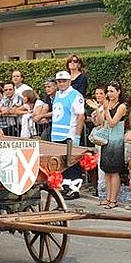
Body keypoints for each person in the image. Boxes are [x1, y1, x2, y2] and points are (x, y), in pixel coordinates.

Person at [51, 71, 85, 200]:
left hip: (68, 134)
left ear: (69, 81)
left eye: (64, 81)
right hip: (56, 134)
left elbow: (80, 116)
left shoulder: (75, 95)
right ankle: (65, 187)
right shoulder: (58, 94)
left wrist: (77, 135)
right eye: (59, 81)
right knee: (62, 163)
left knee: (72, 163)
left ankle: (74, 188)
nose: (61, 83)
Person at [95, 82, 126, 208]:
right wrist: (99, 108)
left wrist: (106, 109)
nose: (109, 94)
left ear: (119, 92)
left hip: (116, 141)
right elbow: (101, 121)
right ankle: (107, 198)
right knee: (107, 171)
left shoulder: (122, 106)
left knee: (114, 172)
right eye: (108, 91)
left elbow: (112, 122)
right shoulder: (107, 104)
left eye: (112, 91)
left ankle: (113, 200)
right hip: (106, 140)